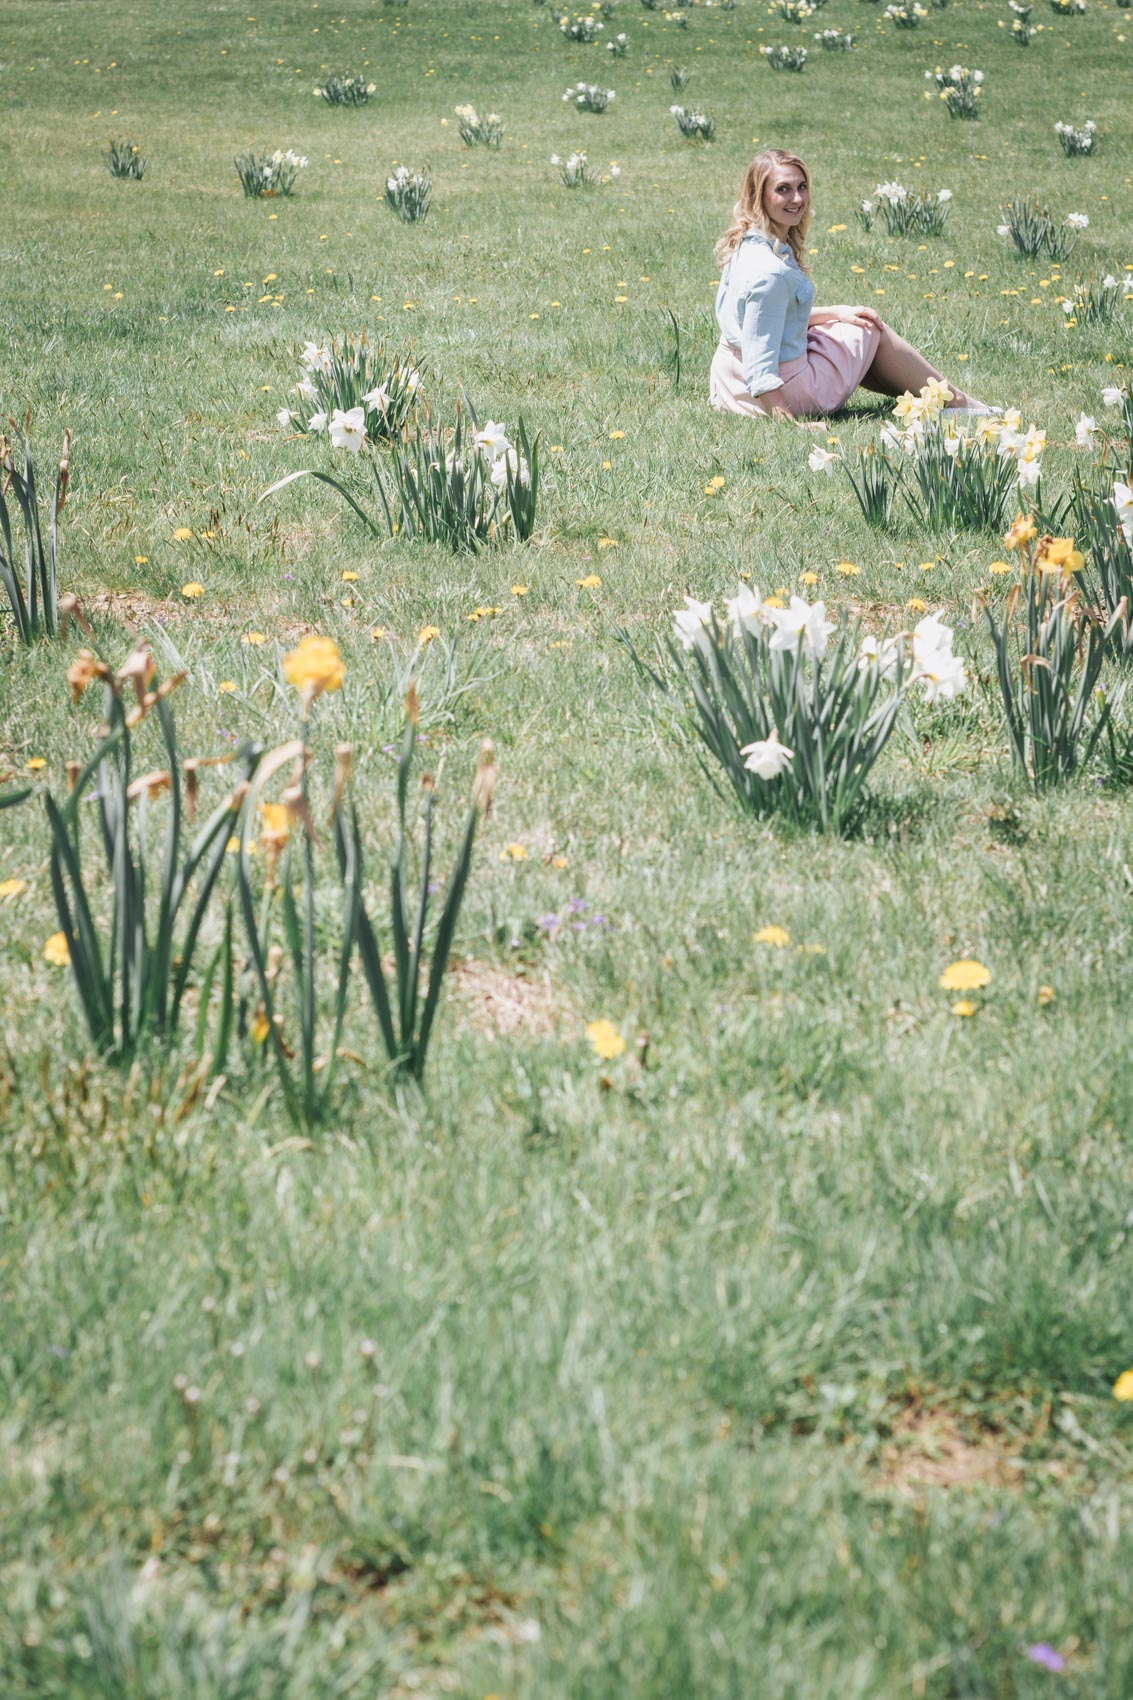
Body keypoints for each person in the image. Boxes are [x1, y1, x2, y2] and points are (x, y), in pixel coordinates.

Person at [710, 149, 996, 421]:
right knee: (868, 328)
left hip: (731, 385)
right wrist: (792, 423)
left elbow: (765, 323)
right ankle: (953, 401)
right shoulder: (769, 273)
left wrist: (836, 312)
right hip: (786, 391)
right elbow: (760, 367)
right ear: (758, 195)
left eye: (802, 186)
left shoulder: (746, 242)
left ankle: (932, 397)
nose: (797, 198)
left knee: (852, 321)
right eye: (783, 189)